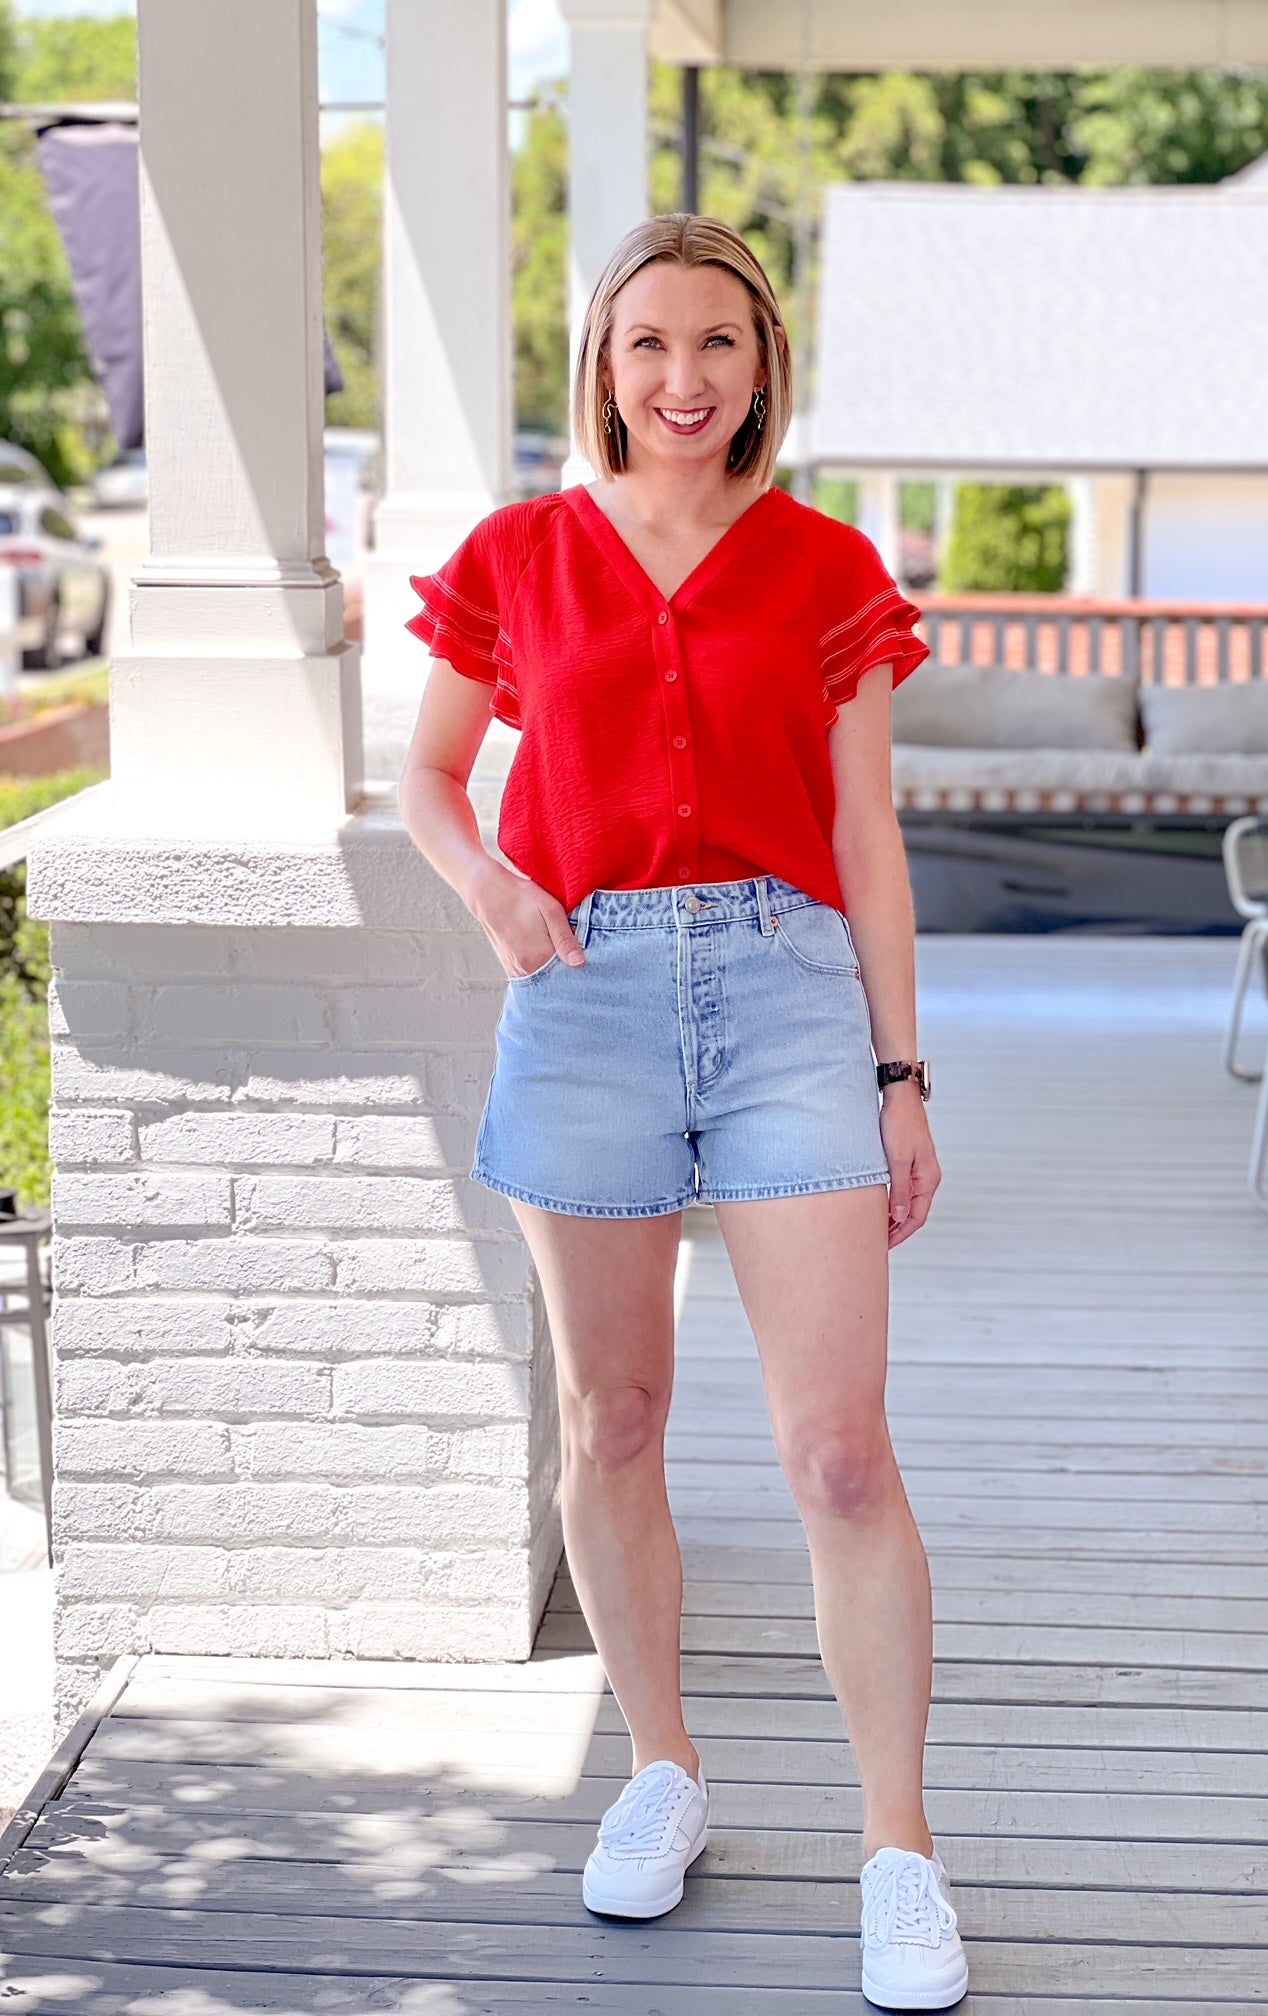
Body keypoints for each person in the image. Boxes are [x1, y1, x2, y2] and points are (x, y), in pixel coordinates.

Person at [398, 213, 966, 2012]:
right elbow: (422, 774)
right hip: (585, 1006)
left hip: (793, 996)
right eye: (649, 343)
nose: (684, 377)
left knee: (837, 1455)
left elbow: (868, 838)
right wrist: (498, 898)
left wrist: (899, 1073)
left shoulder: (824, 567)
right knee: (615, 1414)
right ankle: (663, 1775)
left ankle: (900, 1851)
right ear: (604, 364)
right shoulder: (519, 554)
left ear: (762, 365)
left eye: (718, 342)